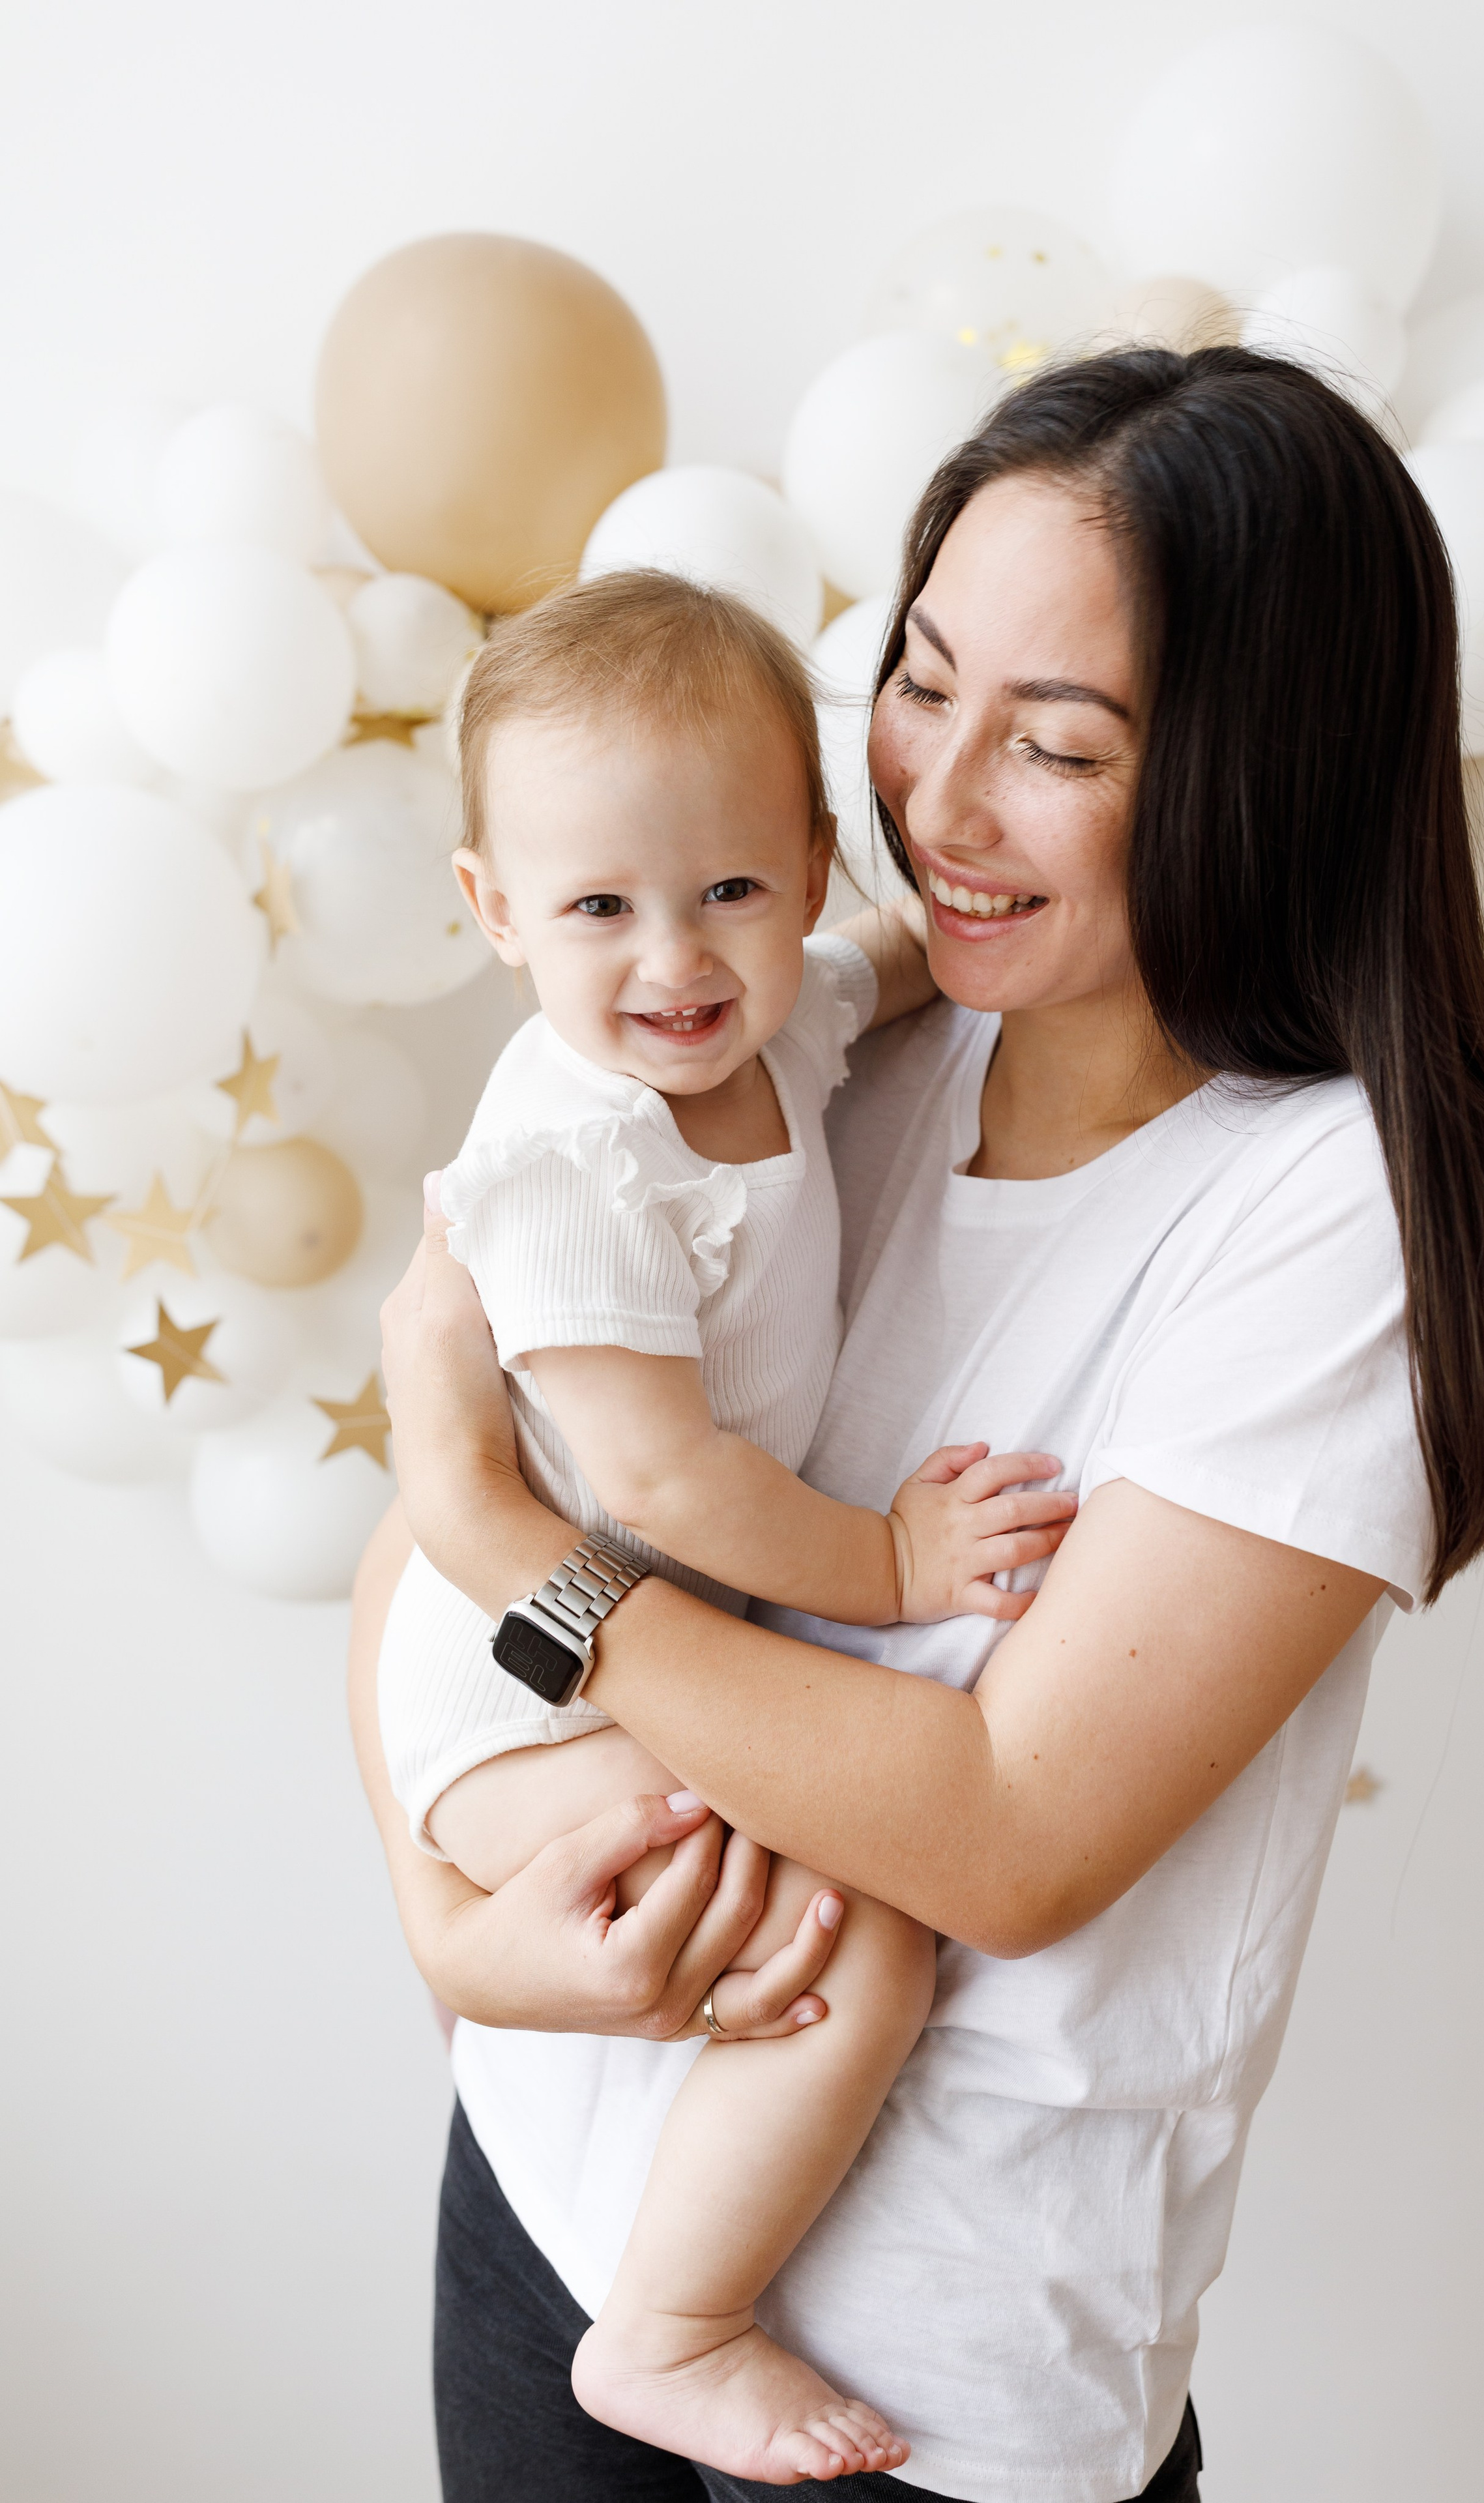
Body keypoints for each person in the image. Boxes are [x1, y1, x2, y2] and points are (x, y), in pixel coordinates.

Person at [350, 345, 1484, 2503]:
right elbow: (452, 1533)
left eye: (1058, 744)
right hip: (552, 2197)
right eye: (924, 682)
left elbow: (1002, 1838)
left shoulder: (1333, 1222)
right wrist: (448, 1925)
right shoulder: (827, 1038)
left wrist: (496, 1530)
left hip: (910, 2404)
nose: (937, 802)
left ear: (1257, 775)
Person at [377, 568, 1076, 2481]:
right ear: (493, 912)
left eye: (730, 892)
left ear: (804, 864)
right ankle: (671, 2332)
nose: (672, 959)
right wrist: (898, 1570)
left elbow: (903, 958)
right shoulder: (573, 1153)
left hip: (625, 1665)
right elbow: (665, 1480)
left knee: (804, 1942)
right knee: (856, 1955)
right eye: (597, 906)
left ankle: (657, 2273)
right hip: (517, 1695)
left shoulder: (782, 1023)